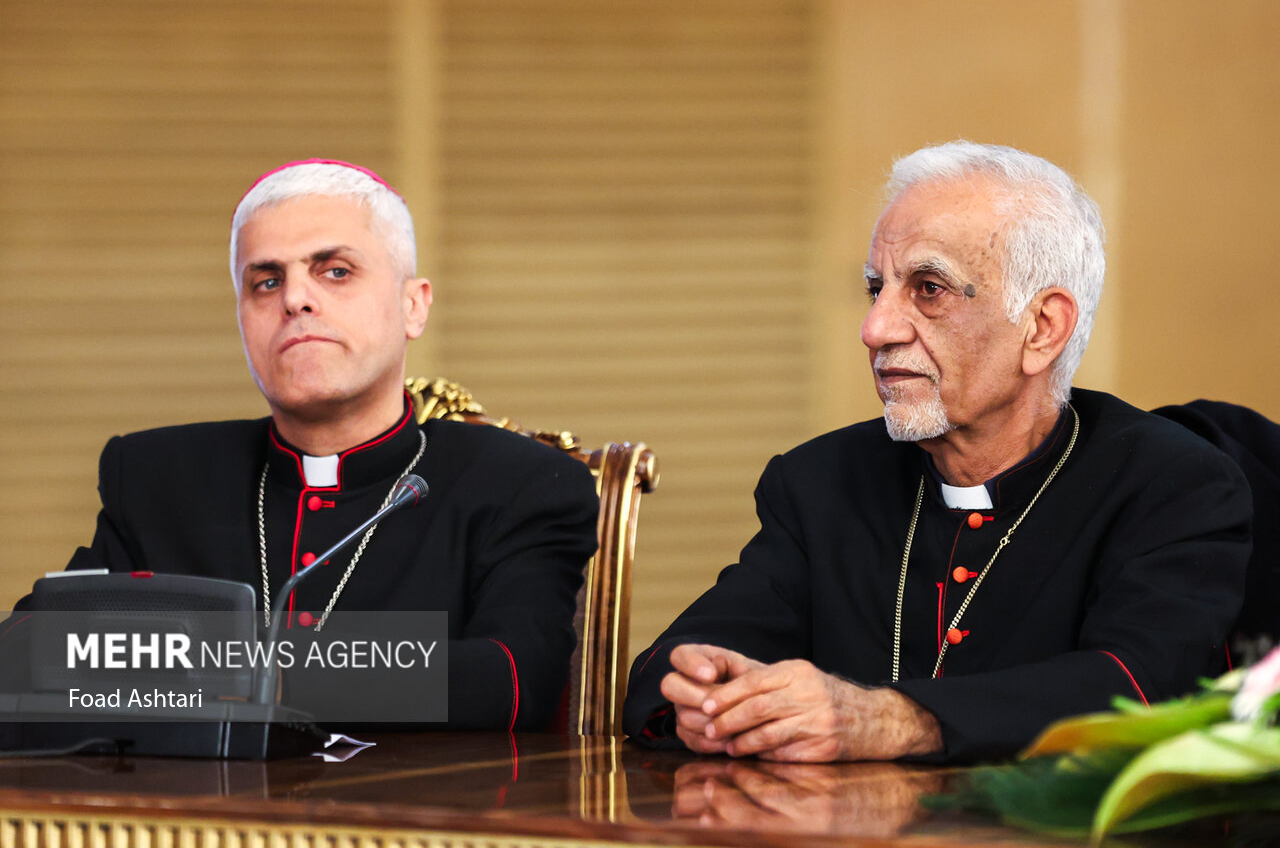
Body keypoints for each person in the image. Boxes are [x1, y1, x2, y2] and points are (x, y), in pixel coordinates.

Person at [623, 141, 1252, 763]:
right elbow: (664, 672)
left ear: (1042, 328)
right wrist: (708, 700)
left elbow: (1140, 688)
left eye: (928, 289)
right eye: (877, 289)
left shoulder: (1173, 483)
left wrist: (898, 721)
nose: (875, 330)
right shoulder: (820, 482)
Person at [8, 159, 599, 731]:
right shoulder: (156, 476)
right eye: (266, 281)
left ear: (413, 305)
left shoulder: (524, 484)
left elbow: (512, 680)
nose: (294, 299)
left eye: (335, 271)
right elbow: (33, 651)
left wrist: (229, 667)